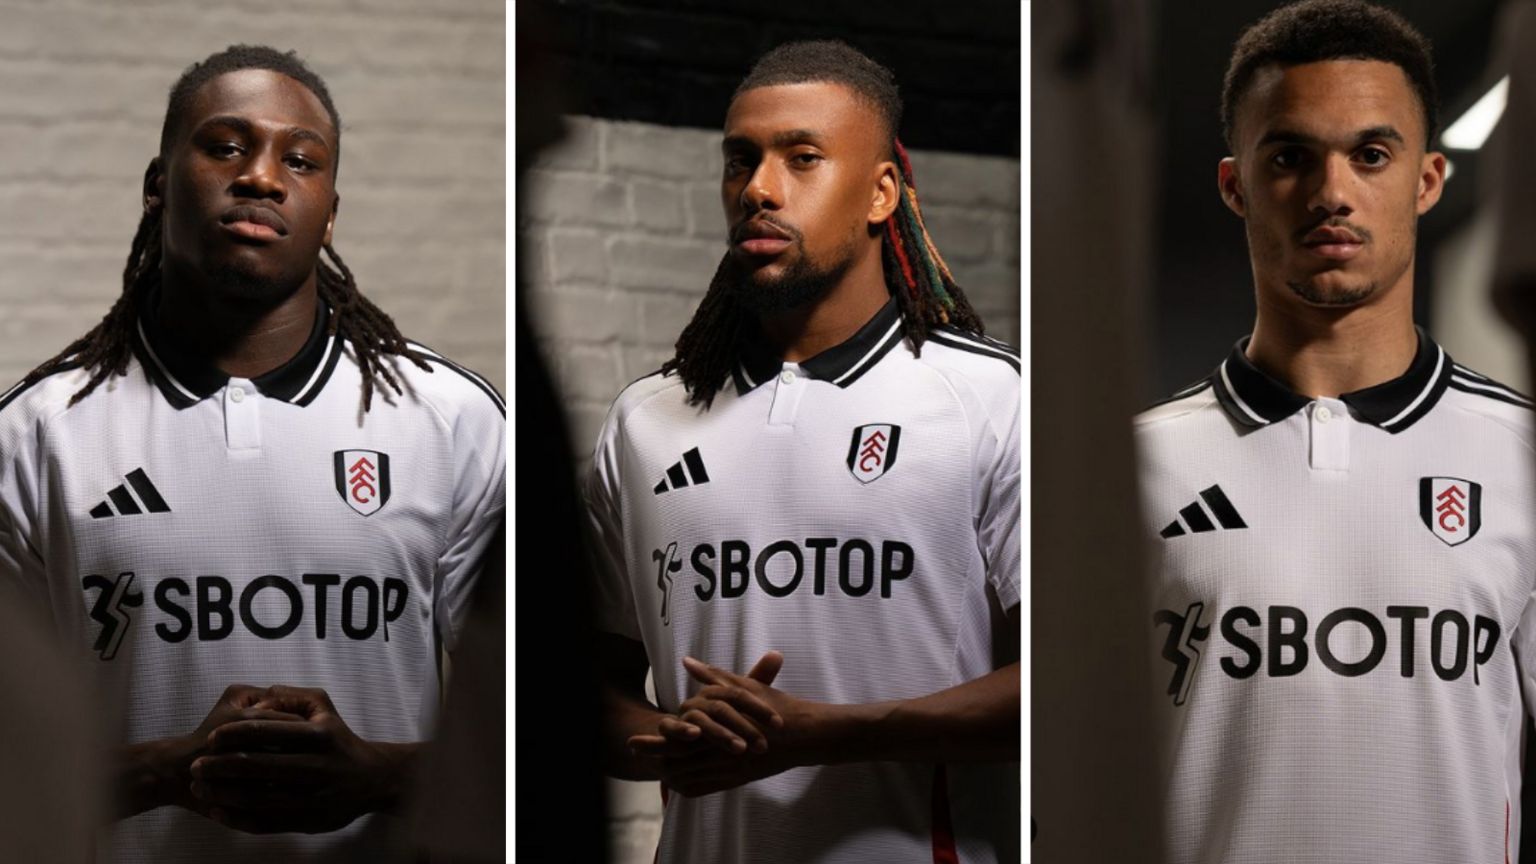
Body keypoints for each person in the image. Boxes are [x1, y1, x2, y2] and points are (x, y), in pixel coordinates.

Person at [0, 45, 505, 862]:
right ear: (158, 183)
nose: (262, 176)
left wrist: (378, 773)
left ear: (330, 212)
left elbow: (534, 730)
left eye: (299, 160)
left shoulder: (455, 422)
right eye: (226, 146)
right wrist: (170, 770)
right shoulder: (33, 436)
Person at [585, 39, 1020, 864]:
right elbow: (586, 695)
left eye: (802, 158)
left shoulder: (992, 399)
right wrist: (665, 740)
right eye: (740, 161)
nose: (758, 188)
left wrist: (832, 733)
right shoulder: (645, 420)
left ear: (882, 192)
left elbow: (1071, 686)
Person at [1136, 2, 1536, 862]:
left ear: (1427, 180)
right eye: (1290, 157)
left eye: (1372, 154)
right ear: (1236, 184)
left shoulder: (1521, 456)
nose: (1331, 193)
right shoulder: (1130, 468)